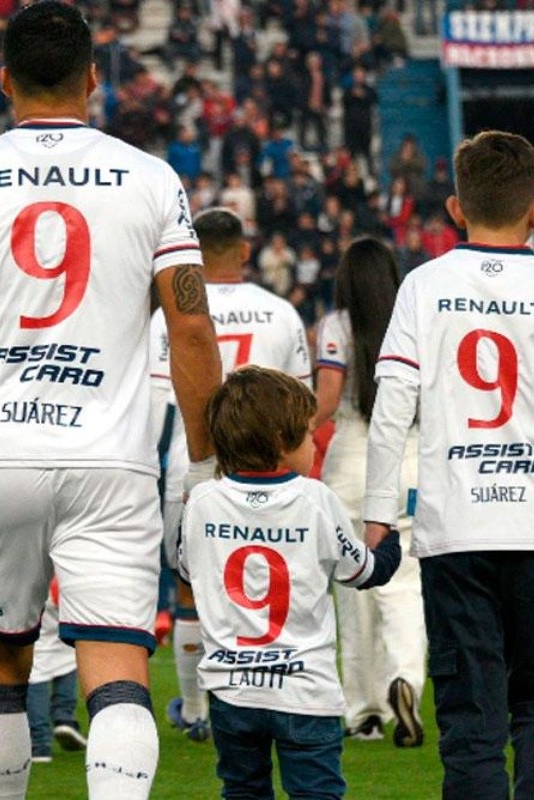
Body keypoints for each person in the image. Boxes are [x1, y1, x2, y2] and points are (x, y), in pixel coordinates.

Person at [0, 4, 221, 799]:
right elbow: (189, 324)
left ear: (3, 80)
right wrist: (206, 460)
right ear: (93, 78)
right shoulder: (152, 178)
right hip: (111, 458)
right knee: (117, 668)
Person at [364, 130, 534, 798]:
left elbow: (391, 408)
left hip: (456, 531)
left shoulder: (423, 285)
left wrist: (379, 516)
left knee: (471, 725)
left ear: (456, 210)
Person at [179, 366, 401, 799]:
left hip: (232, 689)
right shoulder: (315, 499)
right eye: (306, 434)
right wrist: (387, 542)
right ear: (282, 442)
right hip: (304, 689)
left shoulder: (203, 501)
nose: (313, 444)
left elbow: (187, 570)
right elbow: (364, 572)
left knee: (242, 790)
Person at [150, 207, 311, 740]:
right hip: (270, 475)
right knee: (266, 587)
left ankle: (196, 711)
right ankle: (269, 698)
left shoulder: (167, 314)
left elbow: (153, 403)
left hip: (192, 467)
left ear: (193, 252)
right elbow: (302, 407)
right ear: (245, 251)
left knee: (192, 593)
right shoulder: (281, 313)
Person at [314, 238, 426, 747]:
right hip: (408, 459)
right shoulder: (416, 320)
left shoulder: (335, 325)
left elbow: (328, 399)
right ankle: (405, 678)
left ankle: (363, 712)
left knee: (354, 592)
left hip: (351, 462)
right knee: (403, 586)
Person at [27, 580, 87, 763]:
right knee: (68, 649)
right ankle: (64, 718)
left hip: (32, 582)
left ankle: (40, 743)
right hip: (64, 580)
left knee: (37, 664)